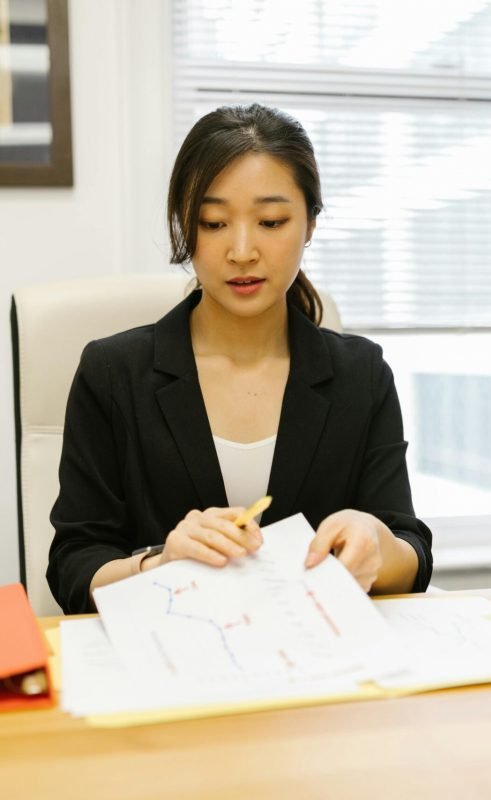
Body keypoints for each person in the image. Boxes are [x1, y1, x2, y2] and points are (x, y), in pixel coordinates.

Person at [47, 103, 432, 614]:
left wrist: (374, 542)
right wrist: (160, 564)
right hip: (172, 659)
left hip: (322, 664)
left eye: (271, 221)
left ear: (310, 224)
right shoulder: (113, 373)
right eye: (214, 222)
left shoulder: (360, 375)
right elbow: (74, 564)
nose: (243, 250)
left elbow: (411, 549)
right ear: (186, 225)